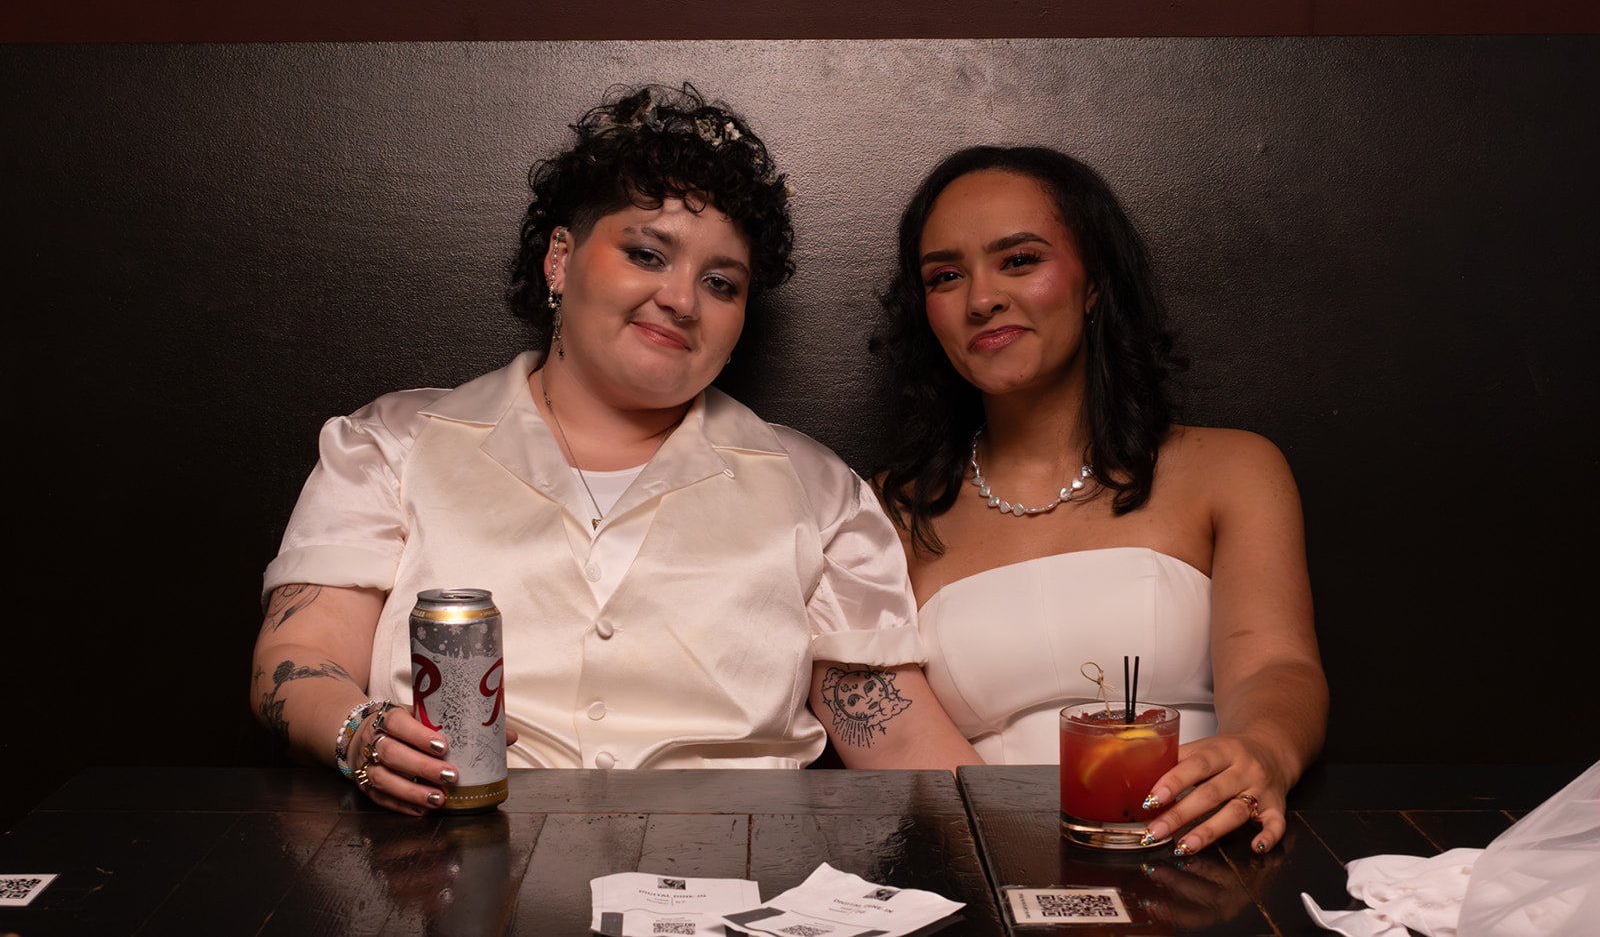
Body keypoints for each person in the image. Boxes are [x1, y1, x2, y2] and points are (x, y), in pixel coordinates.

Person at [251, 84, 980, 816]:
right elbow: (300, 658)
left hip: (733, 890)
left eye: (720, 283)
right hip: (451, 873)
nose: (682, 300)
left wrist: (1041, 855)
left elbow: (898, 739)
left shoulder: (817, 491)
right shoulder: (392, 446)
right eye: (647, 254)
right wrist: (358, 733)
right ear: (560, 259)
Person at [873, 145, 1327, 857]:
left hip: (1211, 856)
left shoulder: (1233, 468)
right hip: (992, 867)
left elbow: (1277, 666)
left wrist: (1264, 750)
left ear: (1094, 284)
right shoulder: (891, 512)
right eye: (946, 275)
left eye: (1019, 260)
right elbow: (892, 737)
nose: (981, 297)